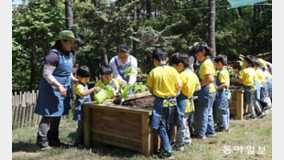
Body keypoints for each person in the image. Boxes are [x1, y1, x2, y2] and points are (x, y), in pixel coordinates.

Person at [35, 30, 79, 150]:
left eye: (73, 42)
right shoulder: (53, 55)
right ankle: (41, 142)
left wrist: (72, 78)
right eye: (69, 42)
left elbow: (67, 70)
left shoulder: (69, 54)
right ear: (62, 41)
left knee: (58, 114)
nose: (72, 44)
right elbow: (47, 74)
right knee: (48, 114)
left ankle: (54, 139)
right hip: (50, 89)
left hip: (63, 89)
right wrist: (59, 86)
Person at [146, 48, 182, 159]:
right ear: (166, 59)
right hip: (172, 102)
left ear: (155, 60)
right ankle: (167, 146)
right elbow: (179, 86)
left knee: (160, 126)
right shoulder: (173, 70)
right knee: (170, 126)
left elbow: (151, 90)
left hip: (160, 103)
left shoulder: (153, 72)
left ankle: (167, 151)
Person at [171, 52, 201, 151]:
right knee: (185, 123)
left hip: (183, 104)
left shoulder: (182, 75)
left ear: (180, 65)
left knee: (181, 124)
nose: (174, 69)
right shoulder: (192, 74)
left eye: (174, 67)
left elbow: (177, 92)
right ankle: (187, 140)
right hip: (190, 102)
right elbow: (198, 87)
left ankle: (179, 144)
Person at [191, 42, 217, 139]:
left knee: (203, 112)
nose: (195, 55)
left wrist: (197, 86)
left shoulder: (206, 64)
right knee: (208, 111)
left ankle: (201, 134)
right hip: (210, 91)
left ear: (203, 52)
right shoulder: (204, 62)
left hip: (207, 91)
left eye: (197, 53)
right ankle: (210, 132)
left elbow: (209, 79)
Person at [73, 66, 101, 148]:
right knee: (81, 127)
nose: (87, 80)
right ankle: (77, 143)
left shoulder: (84, 84)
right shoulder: (79, 86)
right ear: (79, 77)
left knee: (86, 125)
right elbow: (83, 94)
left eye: (88, 78)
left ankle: (85, 141)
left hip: (86, 109)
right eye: (85, 79)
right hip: (80, 110)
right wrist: (93, 89)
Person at [231, 55, 265, 119]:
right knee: (254, 100)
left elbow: (240, 80)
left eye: (243, 61)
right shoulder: (252, 70)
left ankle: (253, 115)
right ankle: (261, 112)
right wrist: (238, 74)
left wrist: (233, 79)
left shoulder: (245, 71)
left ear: (246, 62)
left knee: (249, 102)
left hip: (248, 88)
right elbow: (246, 77)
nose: (243, 62)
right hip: (253, 87)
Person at [213, 54, 230, 133]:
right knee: (225, 110)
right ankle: (226, 125)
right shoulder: (225, 70)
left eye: (215, 64)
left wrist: (216, 88)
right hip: (225, 94)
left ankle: (223, 126)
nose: (215, 66)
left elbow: (225, 84)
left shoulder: (222, 73)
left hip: (222, 94)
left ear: (219, 63)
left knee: (221, 110)